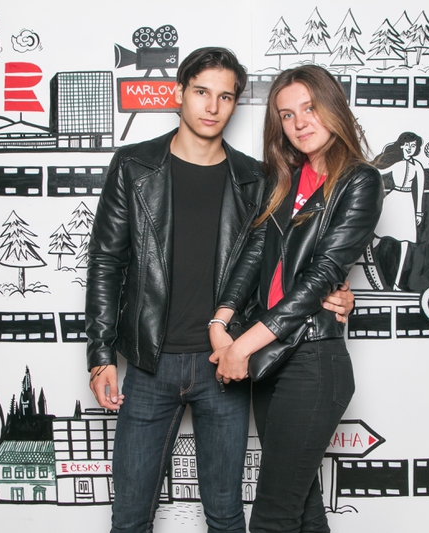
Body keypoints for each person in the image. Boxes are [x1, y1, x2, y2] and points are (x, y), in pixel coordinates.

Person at [86, 48, 354, 533]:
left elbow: (284, 259)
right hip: (149, 363)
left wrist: (336, 291)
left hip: (226, 364)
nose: (212, 107)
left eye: (226, 97)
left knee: (227, 518)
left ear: (235, 104)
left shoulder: (260, 178)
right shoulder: (133, 166)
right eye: (201, 92)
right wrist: (101, 353)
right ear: (179, 93)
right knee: (129, 518)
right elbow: (107, 260)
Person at [208, 65, 384, 533]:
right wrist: (221, 322)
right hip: (271, 359)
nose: (300, 123)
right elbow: (253, 254)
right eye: (287, 115)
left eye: (310, 108)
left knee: (272, 518)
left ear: (333, 108)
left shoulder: (360, 181)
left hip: (312, 360)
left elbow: (322, 274)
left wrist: (241, 347)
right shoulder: (284, 179)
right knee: (303, 512)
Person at [370, 131, 426, 290]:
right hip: (393, 199)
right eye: (407, 145)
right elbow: (378, 172)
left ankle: (396, 283)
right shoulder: (397, 164)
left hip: (407, 202)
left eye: (413, 145)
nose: (410, 148)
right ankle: (367, 264)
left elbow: (420, 191)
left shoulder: (418, 167)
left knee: (405, 242)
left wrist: (419, 212)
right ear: (401, 146)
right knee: (377, 235)